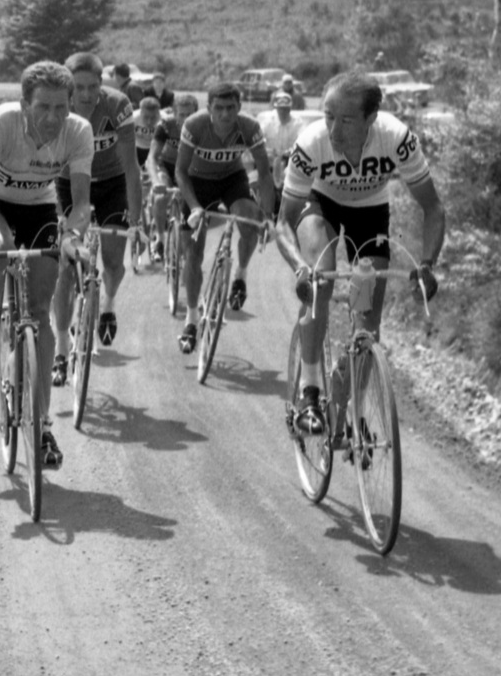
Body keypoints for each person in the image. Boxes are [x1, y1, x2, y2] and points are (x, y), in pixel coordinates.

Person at [275, 71, 444, 434]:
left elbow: (433, 208)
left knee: (367, 326)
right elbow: (282, 222)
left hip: (370, 212)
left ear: (372, 118)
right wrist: (300, 267)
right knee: (321, 277)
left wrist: (427, 264)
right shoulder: (311, 143)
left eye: (347, 120)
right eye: (328, 116)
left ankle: (339, 407)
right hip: (322, 203)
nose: (334, 130)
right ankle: (309, 392)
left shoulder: (397, 138)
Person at [0, 61, 93, 470]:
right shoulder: (1, 123)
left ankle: (44, 425)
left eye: (60, 108)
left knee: (40, 314)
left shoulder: (78, 132)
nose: (52, 118)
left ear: (70, 106)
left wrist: (71, 236)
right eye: (42, 108)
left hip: (38, 210)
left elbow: (81, 202)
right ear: (24, 104)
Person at [51, 53, 143, 383]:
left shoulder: (117, 105)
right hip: (68, 183)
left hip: (111, 184)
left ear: (102, 85)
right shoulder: (58, 106)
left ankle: (107, 305)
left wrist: (136, 220)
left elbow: (132, 167)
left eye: (93, 87)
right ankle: (61, 348)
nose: (86, 95)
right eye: (79, 88)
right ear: (67, 87)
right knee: (65, 265)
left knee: (115, 260)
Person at [174, 81, 275, 354]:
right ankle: (191, 319)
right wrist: (195, 207)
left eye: (231, 108)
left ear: (239, 108)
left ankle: (240, 275)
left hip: (232, 179)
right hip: (198, 181)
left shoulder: (249, 127)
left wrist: (267, 215)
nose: (225, 115)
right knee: (192, 256)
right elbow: (180, 172)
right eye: (219, 109)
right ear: (209, 109)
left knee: (248, 219)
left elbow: (265, 174)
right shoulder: (195, 125)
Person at [148, 92, 198, 261]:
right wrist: (155, 181)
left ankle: (185, 240)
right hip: (167, 166)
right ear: (174, 114)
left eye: (189, 114)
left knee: (189, 204)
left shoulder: (203, 126)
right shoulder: (166, 125)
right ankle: (160, 240)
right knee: (161, 197)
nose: (185, 118)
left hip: (189, 169)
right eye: (181, 114)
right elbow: (152, 157)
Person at [257, 90, 306, 219]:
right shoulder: (268, 122)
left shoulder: (298, 123)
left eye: (286, 108)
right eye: (280, 108)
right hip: (269, 163)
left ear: (290, 108)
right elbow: (259, 139)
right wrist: (267, 150)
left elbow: (302, 141)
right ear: (276, 108)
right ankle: (265, 213)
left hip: (290, 163)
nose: (283, 111)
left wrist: (289, 152)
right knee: (261, 184)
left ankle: (288, 215)